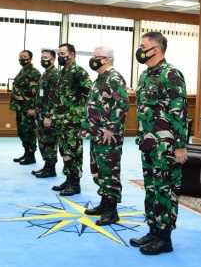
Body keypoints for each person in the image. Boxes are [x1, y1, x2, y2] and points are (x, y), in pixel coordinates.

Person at [130, 31, 188, 255]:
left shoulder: (171, 74)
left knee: (165, 188)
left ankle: (164, 238)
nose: (140, 50)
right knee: (152, 188)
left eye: (143, 46)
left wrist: (180, 145)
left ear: (157, 49)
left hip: (166, 144)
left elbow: (179, 112)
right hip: (148, 143)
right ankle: (153, 230)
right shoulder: (145, 75)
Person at [82, 46, 129, 225]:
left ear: (107, 59)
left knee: (109, 171)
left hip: (109, 135)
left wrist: (110, 127)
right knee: (99, 170)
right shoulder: (100, 78)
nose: (93, 59)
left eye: (96, 57)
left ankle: (111, 211)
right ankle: (104, 203)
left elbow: (122, 104)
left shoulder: (114, 78)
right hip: (97, 133)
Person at [50, 43, 91, 196]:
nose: (60, 56)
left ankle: (75, 183)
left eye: (63, 53)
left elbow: (89, 93)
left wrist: (78, 111)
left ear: (72, 54)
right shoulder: (62, 73)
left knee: (74, 151)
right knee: (64, 150)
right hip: (61, 119)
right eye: (59, 53)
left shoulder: (79, 72)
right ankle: (68, 179)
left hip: (73, 121)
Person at [32, 49, 60, 178]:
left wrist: (49, 116)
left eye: (46, 57)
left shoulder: (54, 74)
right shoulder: (46, 73)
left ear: (53, 59)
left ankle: (50, 168)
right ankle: (46, 166)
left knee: (49, 142)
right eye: (42, 57)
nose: (43, 59)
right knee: (43, 141)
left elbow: (55, 97)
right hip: (41, 113)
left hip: (48, 115)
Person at [9, 50, 40, 166]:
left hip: (28, 108)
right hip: (20, 107)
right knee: (22, 131)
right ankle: (26, 152)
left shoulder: (34, 72)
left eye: (25, 57)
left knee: (29, 132)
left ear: (31, 58)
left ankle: (31, 156)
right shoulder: (23, 70)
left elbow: (35, 92)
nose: (22, 59)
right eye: (20, 57)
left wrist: (33, 108)